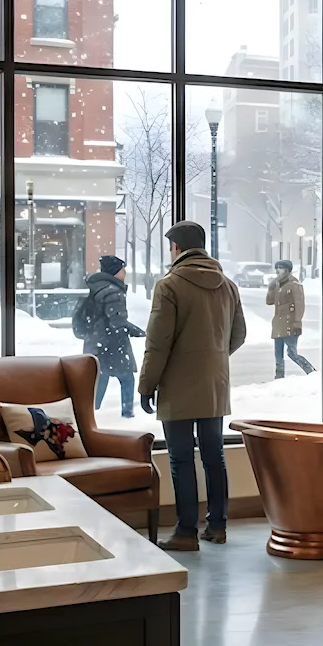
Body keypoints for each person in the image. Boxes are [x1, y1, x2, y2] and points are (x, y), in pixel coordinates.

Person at [139, 222, 246, 552]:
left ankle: (186, 531)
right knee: (214, 456)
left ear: (176, 248)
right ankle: (217, 526)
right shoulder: (227, 285)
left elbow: (158, 342)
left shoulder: (169, 285)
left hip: (178, 386)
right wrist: (212, 357)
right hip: (215, 383)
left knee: (181, 458)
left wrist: (147, 385)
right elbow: (238, 334)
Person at [78, 255, 144, 418]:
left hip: (98, 341)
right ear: (115, 272)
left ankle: (91, 412)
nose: (125, 273)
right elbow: (117, 321)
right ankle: (127, 414)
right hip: (113, 343)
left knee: (101, 377)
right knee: (126, 378)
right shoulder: (113, 292)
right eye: (122, 270)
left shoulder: (99, 287)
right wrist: (139, 332)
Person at [264, 260, 314, 378]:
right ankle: (279, 376)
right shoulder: (277, 285)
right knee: (278, 353)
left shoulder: (294, 284)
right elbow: (269, 301)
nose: (277, 270)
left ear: (287, 270)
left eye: (280, 268)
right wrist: (271, 288)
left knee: (292, 353)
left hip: (289, 324)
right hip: (278, 325)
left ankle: (310, 371)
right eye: (276, 268)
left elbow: (299, 304)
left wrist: (297, 322)